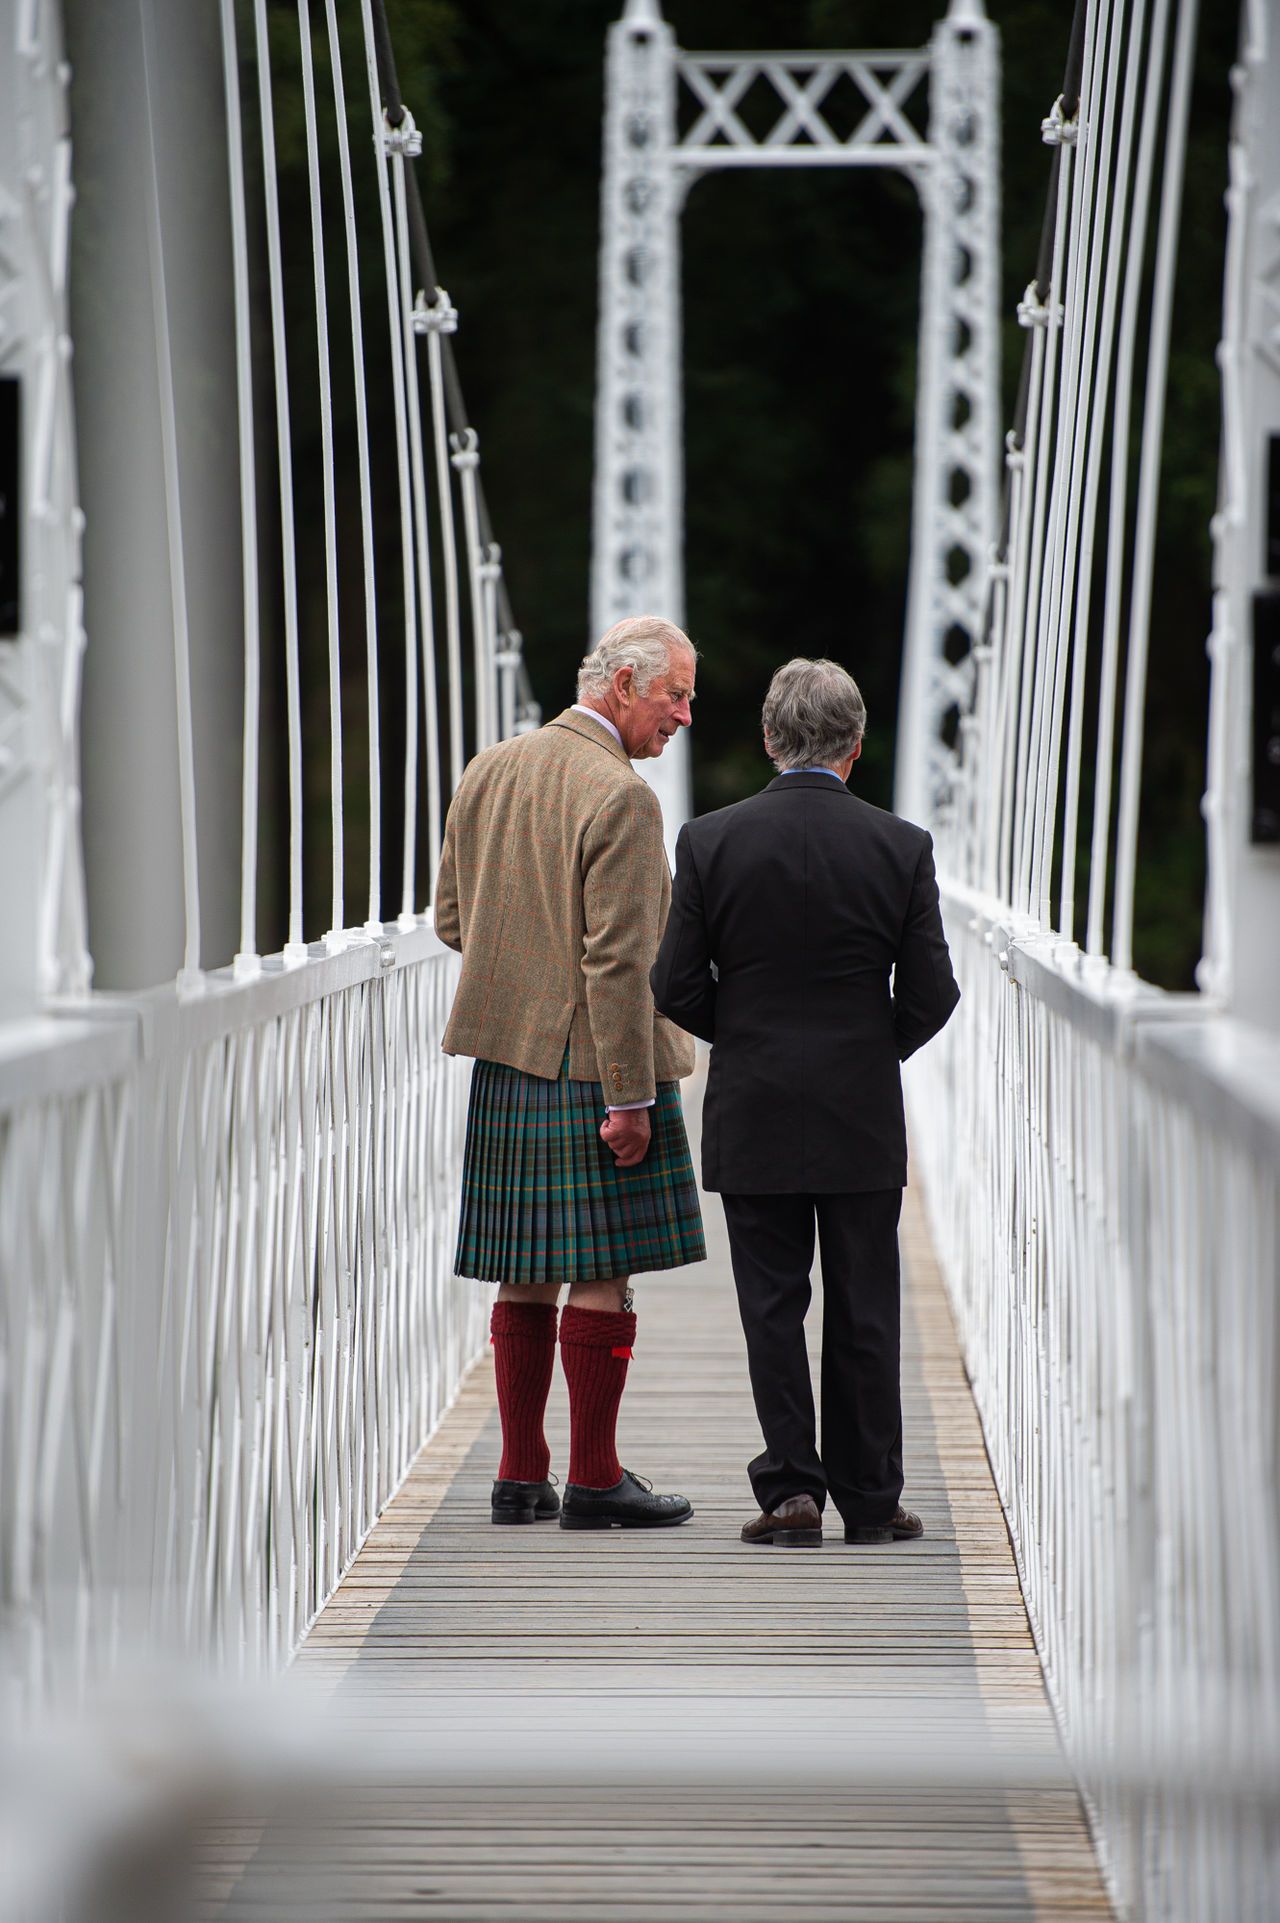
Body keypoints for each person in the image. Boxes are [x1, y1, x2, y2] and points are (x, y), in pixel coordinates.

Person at [650, 657, 959, 1548]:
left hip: (753, 1103)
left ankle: (791, 1491)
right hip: (859, 1110)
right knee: (865, 1303)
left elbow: (675, 983)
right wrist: (869, 1049)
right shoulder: (900, 846)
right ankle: (870, 1499)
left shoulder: (710, 840)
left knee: (772, 1304)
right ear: (856, 749)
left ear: (768, 740)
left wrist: (742, 1037)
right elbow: (933, 992)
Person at [434, 615, 704, 1531]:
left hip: (509, 1059)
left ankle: (519, 1475)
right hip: (598, 1069)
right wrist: (630, 1098)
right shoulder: (621, 797)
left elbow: (450, 920)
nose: (684, 716)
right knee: (601, 1267)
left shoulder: (489, 768)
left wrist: (526, 976)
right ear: (623, 687)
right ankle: (593, 1478)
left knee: (523, 1269)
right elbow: (618, 967)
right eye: (676, 694)